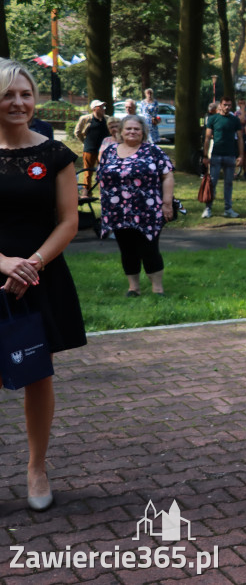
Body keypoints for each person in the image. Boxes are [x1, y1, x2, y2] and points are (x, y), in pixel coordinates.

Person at [0, 58, 86, 512]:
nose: (19, 102)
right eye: (9, 94)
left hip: (39, 278)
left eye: (25, 94)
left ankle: (37, 468)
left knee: (36, 373)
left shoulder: (55, 154)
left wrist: (30, 264)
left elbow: (69, 221)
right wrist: (3, 263)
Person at [98, 115, 174, 297]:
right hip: (117, 211)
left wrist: (167, 203)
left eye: (136, 129)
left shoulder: (153, 151)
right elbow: (101, 177)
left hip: (148, 210)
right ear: (120, 131)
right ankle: (134, 288)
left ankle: (158, 289)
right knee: (127, 249)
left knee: (149, 248)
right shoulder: (109, 152)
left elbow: (168, 175)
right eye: (128, 129)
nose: (132, 132)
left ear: (143, 132)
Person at [202, 98, 244, 218]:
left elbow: (240, 138)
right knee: (212, 182)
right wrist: (205, 155)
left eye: (229, 105)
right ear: (220, 105)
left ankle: (228, 209)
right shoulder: (213, 119)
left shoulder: (235, 120)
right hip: (216, 154)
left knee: (229, 183)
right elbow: (207, 137)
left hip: (230, 155)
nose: (227, 107)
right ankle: (208, 208)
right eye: (225, 105)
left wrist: (240, 155)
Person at [78, 100, 109, 192]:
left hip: (103, 151)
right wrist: (84, 142)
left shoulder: (107, 119)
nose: (103, 109)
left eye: (104, 106)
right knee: (88, 172)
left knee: (103, 172)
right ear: (94, 109)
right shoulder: (86, 119)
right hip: (89, 149)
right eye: (101, 106)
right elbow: (77, 132)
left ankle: (102, 193)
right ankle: (86, 193)